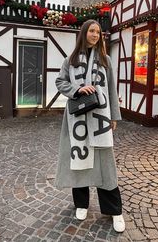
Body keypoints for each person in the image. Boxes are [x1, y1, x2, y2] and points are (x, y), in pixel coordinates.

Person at [55, 19, 125, 233]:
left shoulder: (106, 60)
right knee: (80, 160)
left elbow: (112, 89)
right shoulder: (71, 59)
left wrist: (114, 115)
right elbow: (60, 82)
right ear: (84, 33)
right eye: (91, 31)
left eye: (98, 32)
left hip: (100, 119)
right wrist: (77, 89)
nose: (95, 35)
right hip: (77, 119)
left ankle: (115, 211)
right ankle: (81, 204)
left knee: (105, 164)